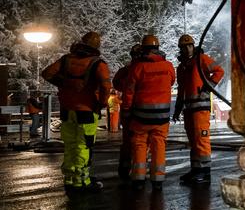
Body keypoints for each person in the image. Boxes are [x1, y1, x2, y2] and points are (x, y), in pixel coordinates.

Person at [41, 31, 112, 194]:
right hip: (86, 111)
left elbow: (47, 73)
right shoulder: (98, 64)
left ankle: (69, 178)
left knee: (70, 146)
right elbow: (106, 86)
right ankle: (81, 182)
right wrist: (100, 103)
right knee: (83, 146)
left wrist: (65, 83)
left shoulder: (66, 60)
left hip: (67, 110)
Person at [121, 35, 175, 191]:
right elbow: (171, 82)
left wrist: (126, 110)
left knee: (139, 144)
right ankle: (157, 180)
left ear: (143, 49)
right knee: (159, 144)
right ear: (158, 48)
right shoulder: (168, 66)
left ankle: (138, 179)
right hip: (162, 116)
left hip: (141, 116)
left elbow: (129, 92)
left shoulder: (138, 67)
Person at [173, 34, 224, 185]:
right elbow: (181, 89)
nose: (187, 49)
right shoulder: (182, 67)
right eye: (184, 47)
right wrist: (178, 109)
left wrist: (207, 89)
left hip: (200, 108)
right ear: (180, 49)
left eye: (189, 46)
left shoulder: (201, 59)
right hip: (189, 109)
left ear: (193, 46)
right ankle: (196, 170)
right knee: (193, 141)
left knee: (201, 139)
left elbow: (219, 71)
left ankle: (204, 173)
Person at [112, 44, 142, 182]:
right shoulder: (144, 68)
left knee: (128, 141)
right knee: (142, 141)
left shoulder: (126, 70)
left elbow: (116, 83)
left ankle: (125, 169)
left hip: (129, 110)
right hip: (141, 109)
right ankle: (138, 169)